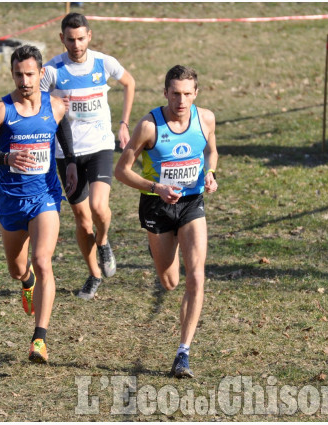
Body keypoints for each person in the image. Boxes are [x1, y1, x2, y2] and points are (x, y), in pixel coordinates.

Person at [0, 45, 78, 364]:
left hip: (45, 196)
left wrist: (69, 164)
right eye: (18, 74)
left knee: (43, 261)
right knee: (19, 269)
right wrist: (5, 157)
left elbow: (63, 134)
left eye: (30, 74)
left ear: (41, 74)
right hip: (11, 200)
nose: (24, 80)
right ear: (12, 74)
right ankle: (26, 282)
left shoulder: (55, 106)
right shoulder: (2, 110)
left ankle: (39, 340)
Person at [114, 65, 218, 378]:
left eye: (187, 94)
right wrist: (155, 187)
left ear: (196, 94)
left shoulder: (206, 119)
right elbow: (122, 171)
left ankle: (183, 354)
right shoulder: (148, 126)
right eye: (175, 93)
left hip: (191, 204)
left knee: (196, 276)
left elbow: (212, 151)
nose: (181, 100)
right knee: (169, 282)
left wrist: (210, 173)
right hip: (156, 207)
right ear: (165, 93)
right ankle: (160, 252)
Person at [40, 12, 136, 299]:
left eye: (81, 38)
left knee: (98, 207)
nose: (76, 44)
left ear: (89, 36)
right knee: (82, 220)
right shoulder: (52, 70)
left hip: (100, 146)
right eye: (70, 39)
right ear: (62, 39)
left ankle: (104, 240)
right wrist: (56, 103)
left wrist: (123, 123)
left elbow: (130, 83)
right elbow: (39, 104)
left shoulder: (103, 62)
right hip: (66, 153)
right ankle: (94, 273)